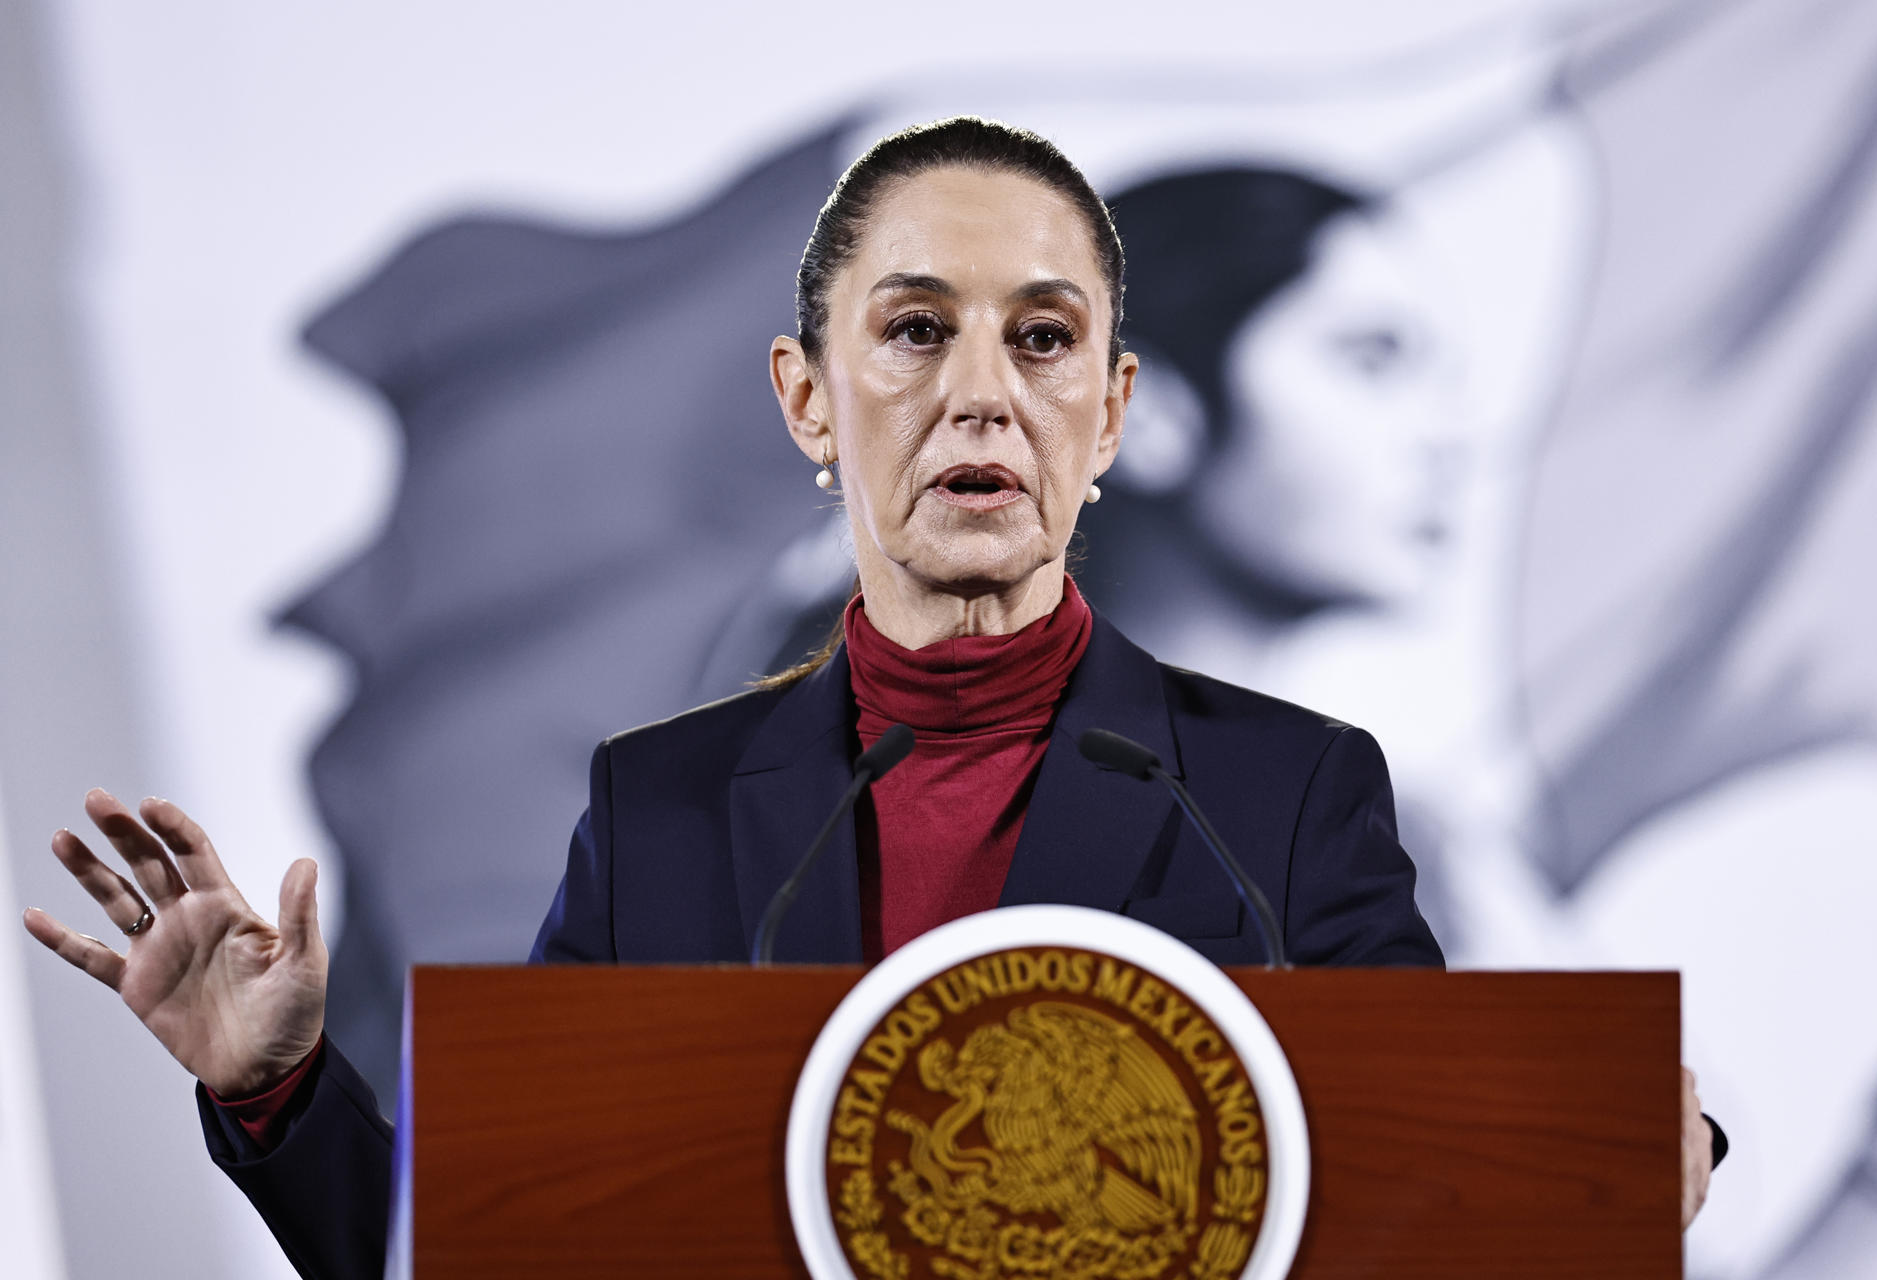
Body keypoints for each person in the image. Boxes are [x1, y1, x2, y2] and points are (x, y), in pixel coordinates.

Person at [17, 116, 1712, 1278]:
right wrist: (281, 1089)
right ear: (811, 401)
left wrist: (1621, 1149)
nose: (980, 392)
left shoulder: (1291, 790)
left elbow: (1438, 1202)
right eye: (914, 333)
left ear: (1115, 414)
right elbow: (500, 1242)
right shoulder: (662, 806)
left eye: (1043, 340)